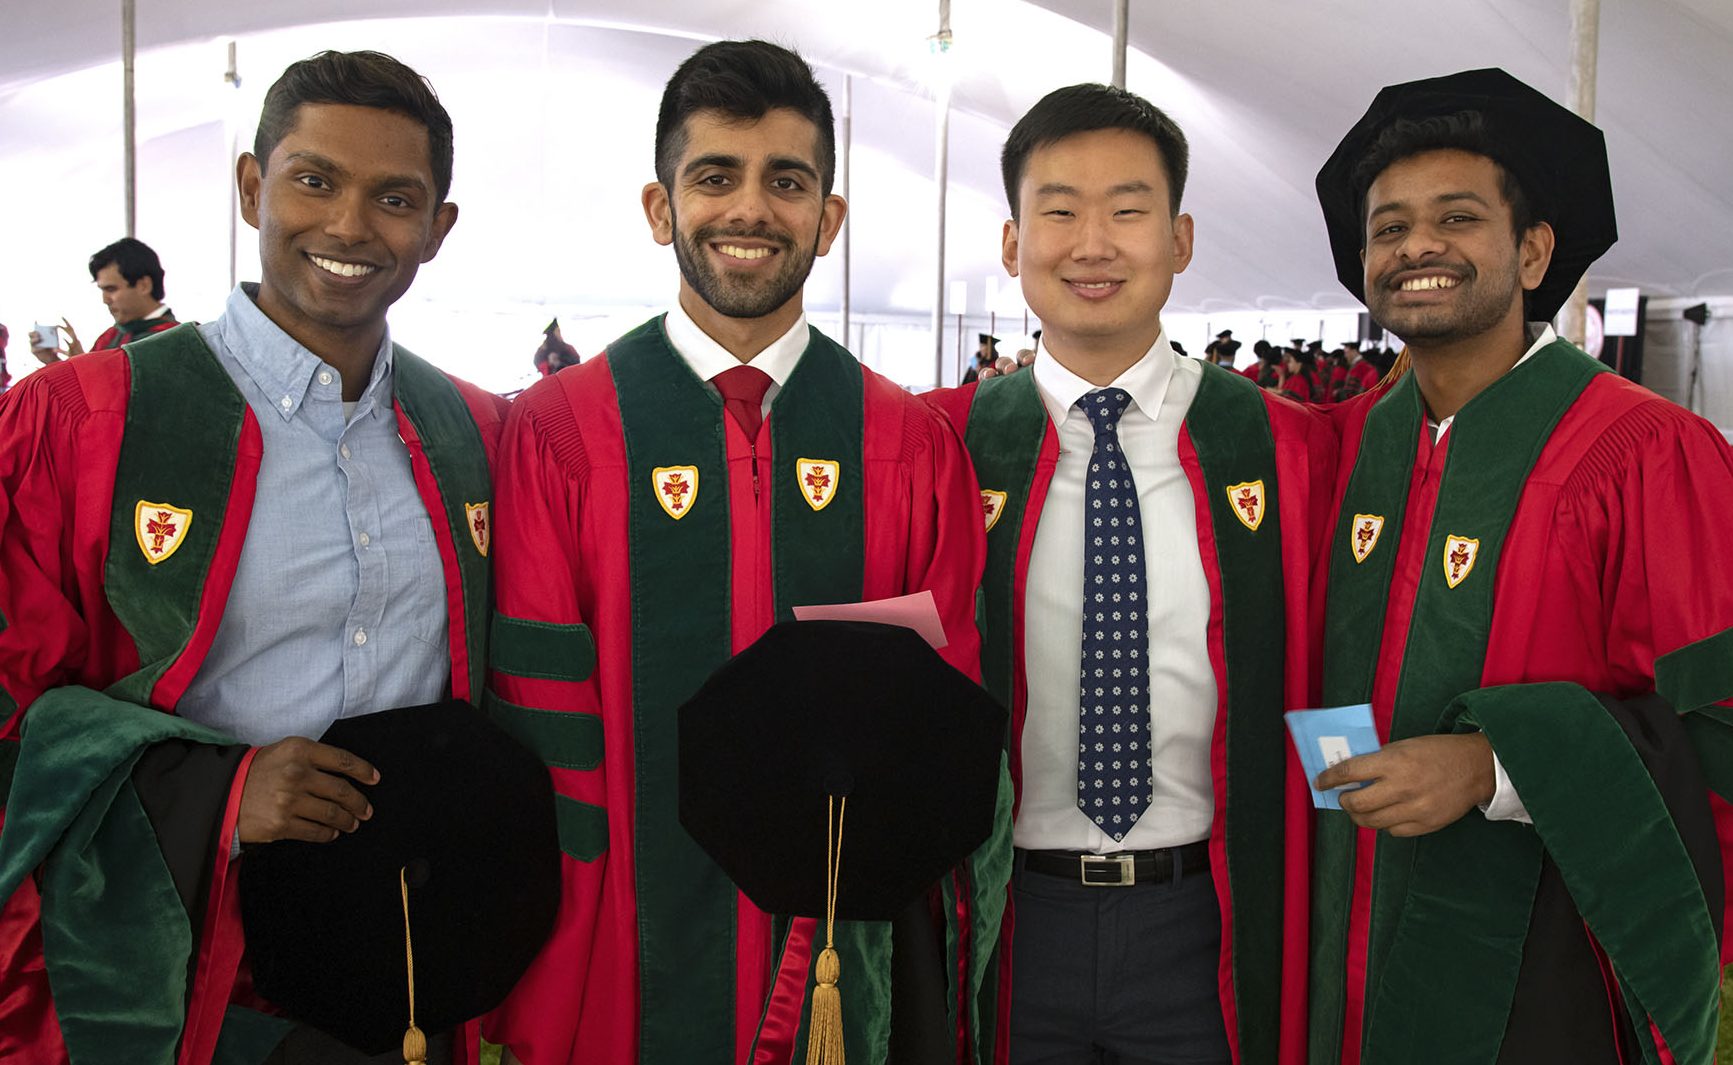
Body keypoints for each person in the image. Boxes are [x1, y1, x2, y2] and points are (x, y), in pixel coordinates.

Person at [483, 39, 1002, 1065]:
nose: (750, 210)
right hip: (624, 941)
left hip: (838, 941)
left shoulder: (904, 443)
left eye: (787, 182)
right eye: (714, 177)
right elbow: (547, 736)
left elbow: (935, 702)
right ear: (659, 207)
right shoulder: (559, 433)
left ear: (828, 217)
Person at [0, 50, 507, 1063]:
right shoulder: (80, 423)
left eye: (395, 198)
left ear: (437, 230)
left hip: (412, 961)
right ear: (249, 187)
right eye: (313, 180)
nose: (350, 226)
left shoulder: (475, 433)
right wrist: (215, 793)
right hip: (185, 967)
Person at [1307, 68, 1733, 1065]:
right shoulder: (1345, 446)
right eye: (1387, 226)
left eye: (1456, 218)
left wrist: (1497, 766)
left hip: (1543, 964)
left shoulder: (1645, 455)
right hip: (1340, 937)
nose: (1416, 246)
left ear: (1532, 250)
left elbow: (1716, 734)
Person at [926, 82, 1331, 1065]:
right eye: (1058, 210)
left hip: (1210, 916)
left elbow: (1335, 658)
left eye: (1127, 210)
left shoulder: (1283, 449)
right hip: (1006, 915)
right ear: (1013, 245)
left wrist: (1341, 831)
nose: (1092, 244)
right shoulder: (942, 447)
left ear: (1180, 239)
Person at [30, 237, 179, 361]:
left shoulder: (174, 342)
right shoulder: (110, 336)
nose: (105, 300)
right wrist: (54, 361)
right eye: (102, 290)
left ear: (143, 285)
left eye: (111, 289)